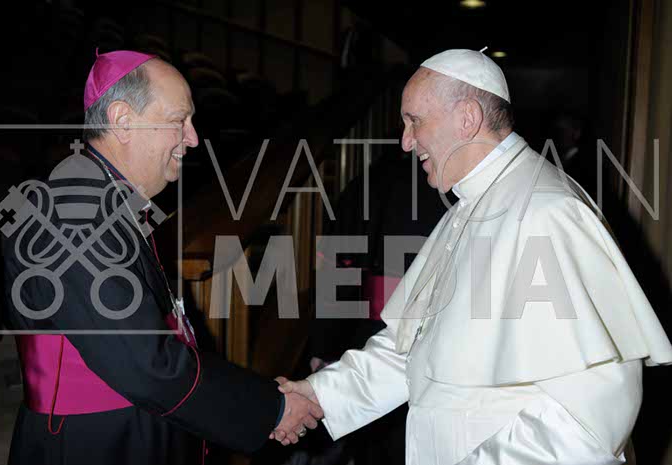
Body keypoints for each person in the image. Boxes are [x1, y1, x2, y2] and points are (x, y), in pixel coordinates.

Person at [275, 49, 672, 464]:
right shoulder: (469, 206)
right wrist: (319, 394)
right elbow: (412, 348)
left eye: (414, 121)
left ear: (467, 118)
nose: (406, 142)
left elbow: (589, 420)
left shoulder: (546, 212)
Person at [0, 50, 322, 465]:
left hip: (131, 426)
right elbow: (146, 365)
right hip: (94, 443)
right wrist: (271, 409)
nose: (193, 138)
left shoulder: (102, 196)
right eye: (178, 121)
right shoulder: (71, 214)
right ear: (122, 120)